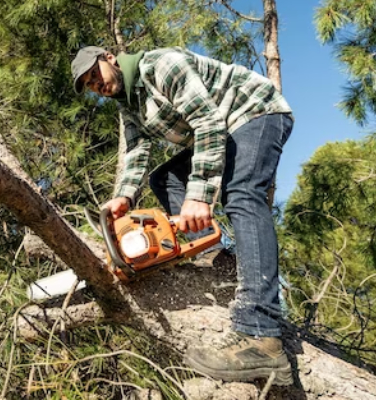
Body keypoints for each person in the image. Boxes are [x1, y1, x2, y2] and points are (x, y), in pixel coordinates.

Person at [72, 45, 294, 385]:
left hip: (254, 112)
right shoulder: (127, 105)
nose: (96, 84)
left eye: (94, 74)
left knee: (243, 194)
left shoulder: (162, 65)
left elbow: (207, 120)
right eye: (89, 84)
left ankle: (261, 333)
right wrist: (122, 197)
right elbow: (136, 151)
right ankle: (214, 258)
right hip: (224, 128)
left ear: (110, 58)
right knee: (164, 178)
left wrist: (199, 196)